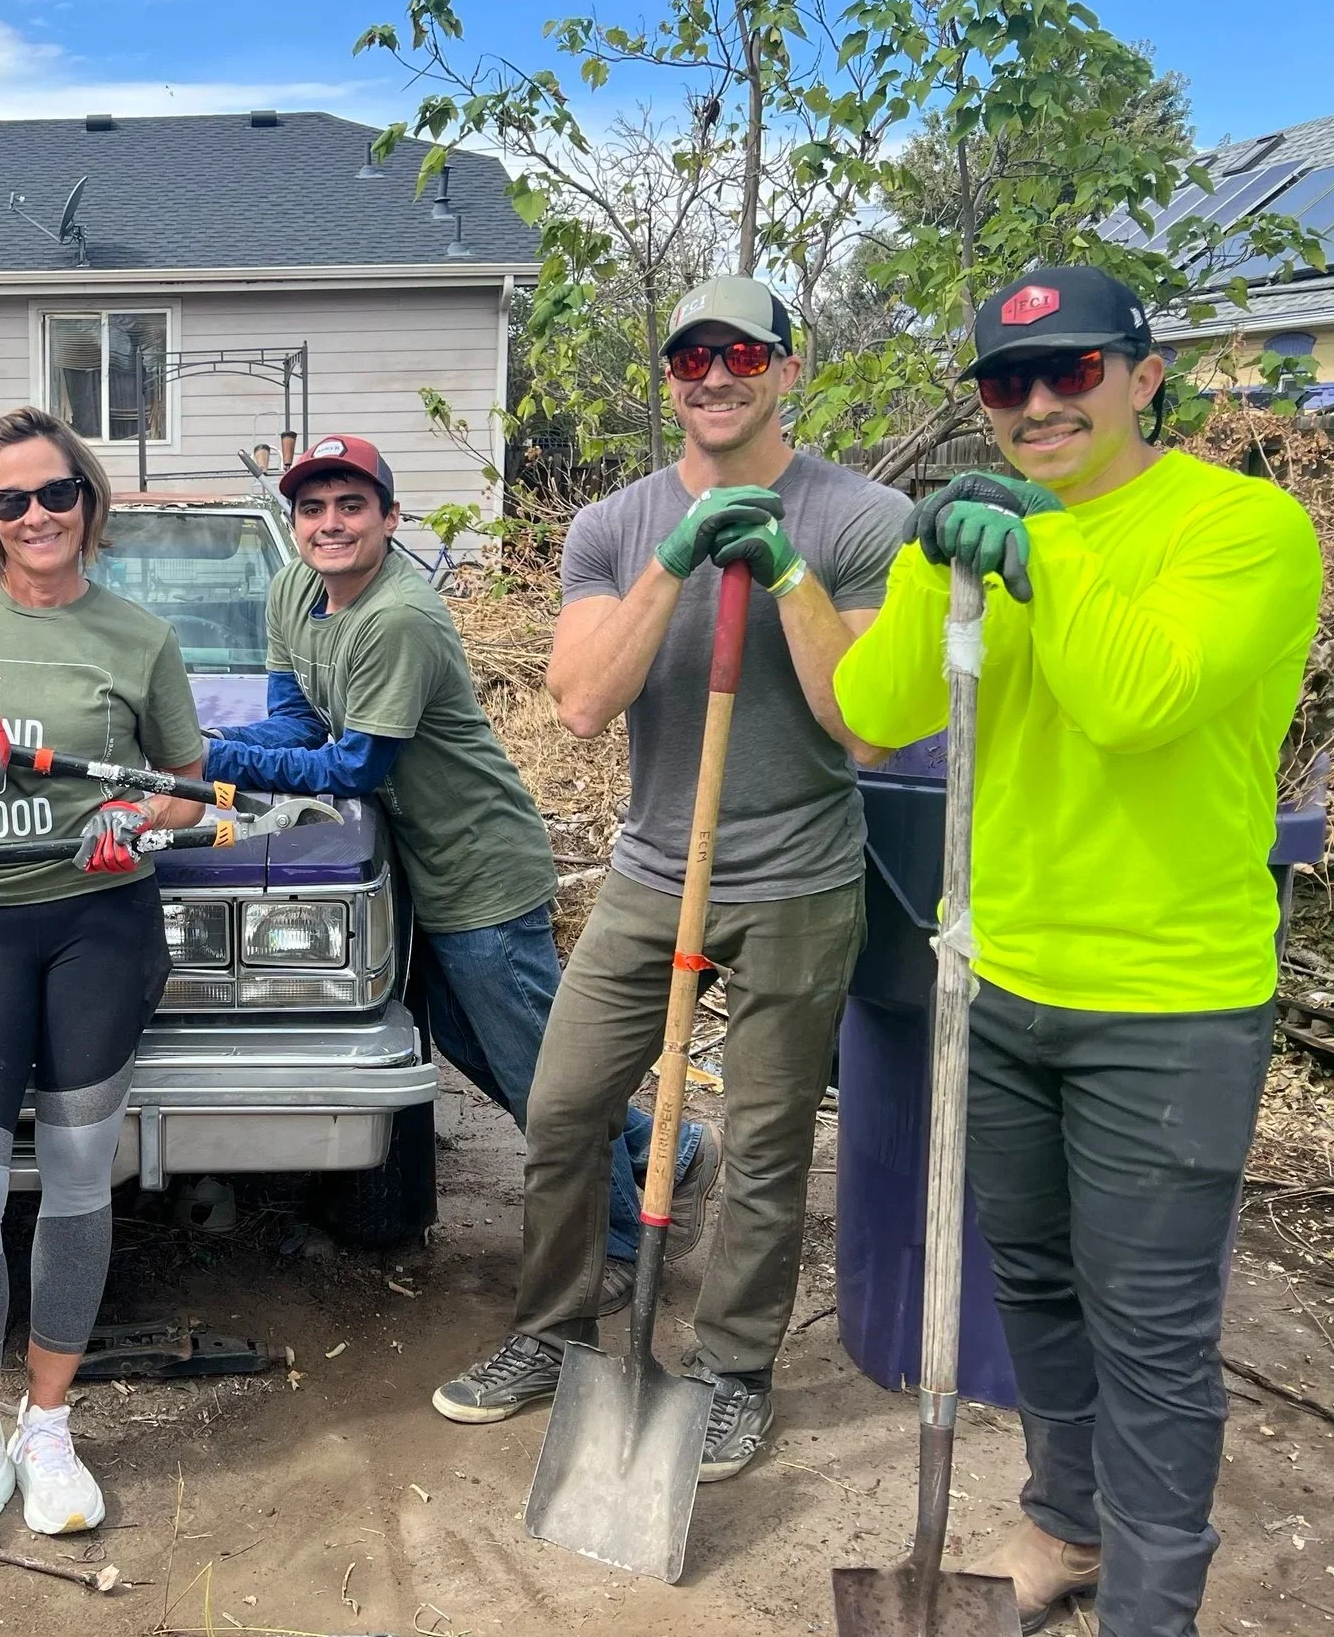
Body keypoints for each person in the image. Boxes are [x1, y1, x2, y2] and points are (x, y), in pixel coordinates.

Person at [836, 265, 1320, 1637]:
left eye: (1074, 372)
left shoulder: (1246, 528)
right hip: (998, 980)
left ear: (1144, 375)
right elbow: (874, 712)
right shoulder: (987, 534)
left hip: (1167, 1000)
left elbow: (1134, 701)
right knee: (1034, 1280)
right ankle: (1070, 1526)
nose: (1040, 403)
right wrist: (933, 561)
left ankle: (1148, 1613)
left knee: (1153, 1336)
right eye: (1007, 382)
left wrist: (1045, 550)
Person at [448, 276, 907, 1479]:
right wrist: (675, 559)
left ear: (787, 370)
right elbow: (586, 703)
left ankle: (729, 1369)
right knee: (559, 1108)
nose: (715, 375)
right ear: (669, 378)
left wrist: (789, 576)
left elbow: (862, 727)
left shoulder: (862, 517)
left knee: (760, 1141)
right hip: (657, 870)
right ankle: (550, 1331)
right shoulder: (609, 524)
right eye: (693, 357)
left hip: (800, 876)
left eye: (743, 355)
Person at [195, 435, 714, 1396]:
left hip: (479, 871)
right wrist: (215, 743)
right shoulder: (291, 596)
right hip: (413, 876)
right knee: (477, 1057)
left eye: (351, 506)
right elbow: (298, 726)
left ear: (390, 520)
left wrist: (214, 764)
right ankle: (665, 1149)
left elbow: (353, 768)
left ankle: (620, 1247)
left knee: (542, 1075)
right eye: (312, 509)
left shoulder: (401, 618)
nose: (329, 525)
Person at [0, 407, 207, 1551]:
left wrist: (137, 822)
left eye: (54, 493)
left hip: (100, 925)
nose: (35, 517)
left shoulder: (139, 637)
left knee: (74, 1174)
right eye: (10, 501)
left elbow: (188, 789)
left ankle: (47, 1424)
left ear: (87, 500)